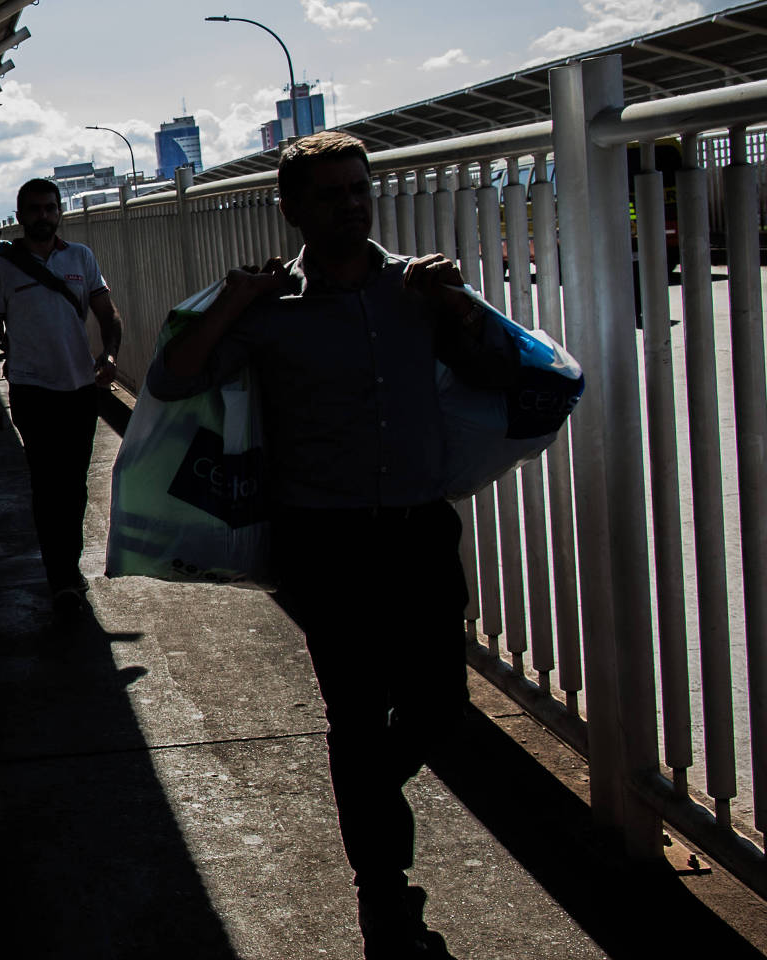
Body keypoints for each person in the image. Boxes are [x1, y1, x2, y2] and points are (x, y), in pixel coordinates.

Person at [146, 130, 519, 960]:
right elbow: (174, 377)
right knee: (354, 716)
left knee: (437, 707)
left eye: (360, 188)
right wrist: (232, 303)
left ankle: (364, 796)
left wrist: (461, 307)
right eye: (330, 195)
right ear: (292, 209)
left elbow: (501, 373)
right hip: (325, 540)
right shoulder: (272, 309)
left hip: (420, 529)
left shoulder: (418, 292)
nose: (351, 204)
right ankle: (384, 901)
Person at [0, 178, 124, 611]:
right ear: (20, 216)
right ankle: (61, 576)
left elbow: (106, 313)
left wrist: (109, 354)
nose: (43, 216)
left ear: (59, 213)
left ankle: (68, 565)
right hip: (31, 390)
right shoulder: (1, 269)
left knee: (74, 484)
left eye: (50, 208)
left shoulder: (81, 258)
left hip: (79, 388)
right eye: (35, 209)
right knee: (46, 482)